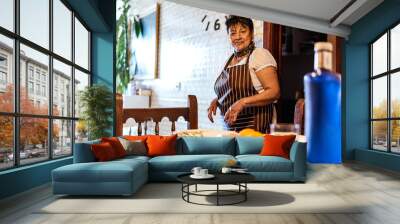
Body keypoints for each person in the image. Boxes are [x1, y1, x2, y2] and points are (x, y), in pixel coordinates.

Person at [208, 15, 280, 133]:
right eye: (233, 33)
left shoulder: (259, 55)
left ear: (251, 34)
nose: (238, 37)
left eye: (242, 31)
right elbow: (235, 91)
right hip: (231, 130)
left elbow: (274, 92)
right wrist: (218, 99)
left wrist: (242, 102)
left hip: (256, 129)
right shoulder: (229, 60)